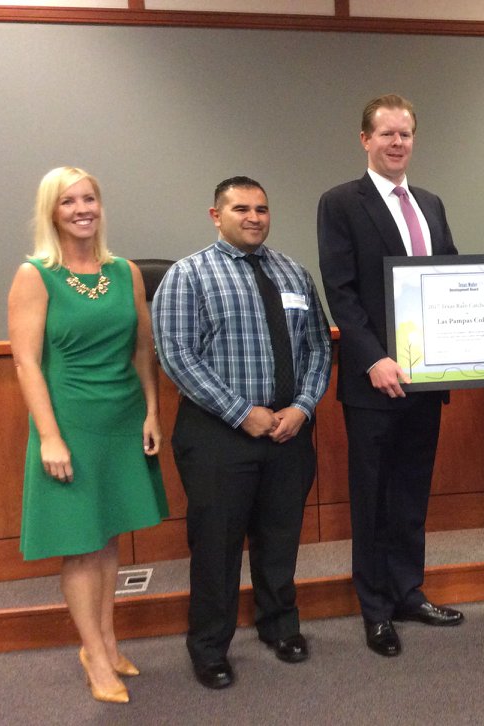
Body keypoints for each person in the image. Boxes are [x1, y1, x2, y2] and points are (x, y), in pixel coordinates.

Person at [152, 176, 331, 688]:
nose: (254, 217)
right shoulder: (189, 275)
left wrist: (301, 406)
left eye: (262, 208)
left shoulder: (294, 274)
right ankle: (209, 646)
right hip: (218, 435)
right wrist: (240, 411)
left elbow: (319, 347)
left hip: (288, 430)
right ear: (216, 215)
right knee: (217, 544)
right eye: (241, 209)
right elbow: (176, 355)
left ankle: (280, 626)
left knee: (280, 537)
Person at [8, 166, 168, 704]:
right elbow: (27, 364)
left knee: (107, 537)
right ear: (51, 212)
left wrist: (151, 410)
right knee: (80, 545)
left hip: (122, 416)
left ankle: (107, 640)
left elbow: (143, 348)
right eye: (69, 201)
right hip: (69, 422)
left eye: (90, 199)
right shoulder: (35, 275)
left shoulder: (124, 272)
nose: (82, 209)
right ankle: (94, 656)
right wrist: (49, 437)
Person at [317, 93, 463, 657]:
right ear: (365, 140)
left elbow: (448, 277)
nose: (397, 143)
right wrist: (374, 357)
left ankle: (408, 591)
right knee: (372, 498)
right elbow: (341, 291)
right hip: (374, 382)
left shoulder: (430, 202)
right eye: (387, 134)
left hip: (425, 382)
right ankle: (374, 608)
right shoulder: (340, 202)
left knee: (410, 494)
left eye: (405, 134)